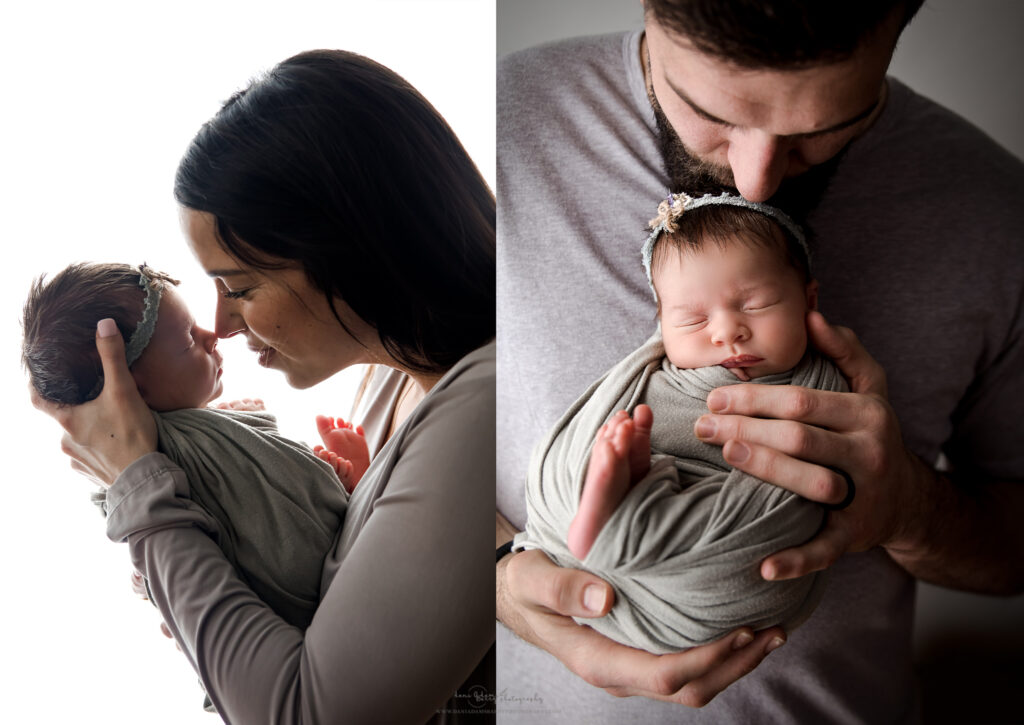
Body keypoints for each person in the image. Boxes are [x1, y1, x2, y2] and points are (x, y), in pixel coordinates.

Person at [496, 1, 1024, 722]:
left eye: (818, 132)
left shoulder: (999, 215)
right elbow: (425, 422)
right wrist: (495, 571)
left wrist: (911, 508)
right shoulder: (499, 129)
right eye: (710, 111)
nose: (756, 181)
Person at [34, 49, 495, 724]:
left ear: (353, 251)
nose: (219, 324)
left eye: (240, 286)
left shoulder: (481, 403)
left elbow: (303, 711)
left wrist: (143, 489)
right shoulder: (382, 384)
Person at [515, 192, 848, 654]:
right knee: (602, 448)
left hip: (733, 566)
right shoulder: (653, 379)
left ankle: (616, 520)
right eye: (692, 320)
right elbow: (578, 432)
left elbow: (837, 471)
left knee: (729, 519)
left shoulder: (824, 385)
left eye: (756, 304)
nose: (726, 331)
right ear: (661, 327)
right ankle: (612, 498)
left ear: (808, 298)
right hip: (622, 587)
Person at [23, 261, 353, 632]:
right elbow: (307, 508)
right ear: (130, 391)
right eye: (188, 339)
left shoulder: (123, 471)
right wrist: (338, 474)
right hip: (326, 600)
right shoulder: (191, 446)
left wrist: (243, 424)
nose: (212, 335)